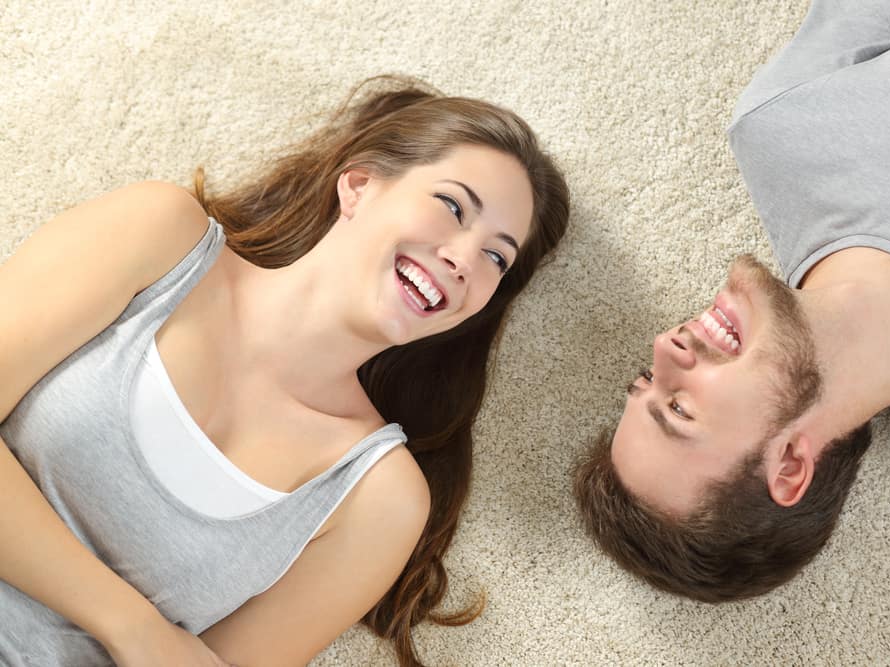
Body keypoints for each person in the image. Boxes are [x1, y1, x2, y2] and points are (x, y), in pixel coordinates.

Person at [0, 77, 569, 666]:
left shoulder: (378, 499)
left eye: (496, 257)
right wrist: (131, 625)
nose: (461, 258)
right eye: (452, 207)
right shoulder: (159, 235)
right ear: (359, 186)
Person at [574, 0, 890, 603]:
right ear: (791, 465)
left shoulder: (786, 125)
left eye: (647, 378)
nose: (664, 345)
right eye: (679, 409)